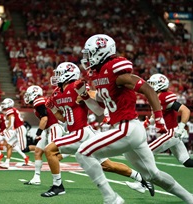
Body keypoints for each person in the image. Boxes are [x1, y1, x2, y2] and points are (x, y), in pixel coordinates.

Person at [74, 34, 193, 203]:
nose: (87, 58)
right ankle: (190, 198)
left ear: (101, 52)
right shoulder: (101, 75)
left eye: (90, 53)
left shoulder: (115, 69)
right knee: (153, 175)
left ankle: (111, 199)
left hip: (127, 128)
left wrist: (159, 118)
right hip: (128, 129)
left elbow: (148, 90)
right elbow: (99, 110)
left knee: (83, 153)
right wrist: (85, 96)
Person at [42, 62, 154, 198]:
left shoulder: (77, 86)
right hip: (80, 133)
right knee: (107, 165)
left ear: (68, 74)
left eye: (59, 74)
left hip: (80, 132)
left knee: (49, 150)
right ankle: (141, 178)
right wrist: (53, 109)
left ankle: (58, 186)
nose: (56, 77)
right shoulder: (56, 93)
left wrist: (85, 94)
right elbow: (63, 119)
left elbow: (97, 99)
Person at [126, 74, 193, 192]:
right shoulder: (158, 96)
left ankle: (144, 183)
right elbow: (157, 114)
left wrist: (181, 128)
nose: (150, 86)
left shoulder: (165, 96)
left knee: (145, 152)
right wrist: (146, 124)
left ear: (160, 84)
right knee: (187, 162)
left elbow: (185, 111)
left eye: (152, 83)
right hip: (171, 134)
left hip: (171, 133)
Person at [23, 85, 66, 185]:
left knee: (53, 154)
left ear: (35, 94)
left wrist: (38, 133)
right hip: (48, 129)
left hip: (54, 127)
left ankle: (57, 181)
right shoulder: (38, 102)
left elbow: (45, 118)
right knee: (38, 151)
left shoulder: (39, 101)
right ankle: (36, 178)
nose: (27, 96)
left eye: (29, 94)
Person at [0, 98, 29, 169]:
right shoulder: (12, 109)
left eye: (4, 104)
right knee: (9, 144)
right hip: (18, 129)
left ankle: (41, 149)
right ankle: (7, 163)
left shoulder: (10, 110)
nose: (3, 105)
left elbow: (11, 123)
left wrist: (6, 130)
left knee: (24, 149)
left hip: (20, 129)